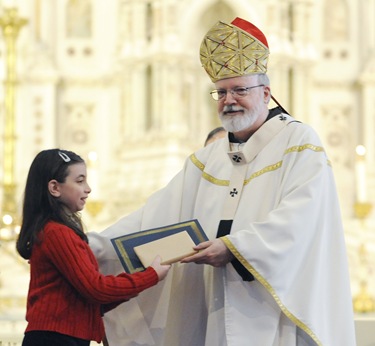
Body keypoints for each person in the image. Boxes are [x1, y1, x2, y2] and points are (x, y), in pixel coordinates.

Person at [89, 17, 356, 346]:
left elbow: (302, 216)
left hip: (272, 310)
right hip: (212, 306)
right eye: (222, 91)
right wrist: (92, 246)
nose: (229, 100)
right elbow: (154, 216)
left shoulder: (299, 143)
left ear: (266, 92)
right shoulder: (209, 158)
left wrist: (235, 247)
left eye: (240, 90)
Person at [16, 149, 170, 346]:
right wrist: (151, 275)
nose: (88, 189)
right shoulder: (57, 232)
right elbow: (96, 289)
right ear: (55, 188)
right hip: (54, 339)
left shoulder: (58, 231)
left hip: (62, 337)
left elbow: (90, 299)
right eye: (80, 181)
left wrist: (139, 279)